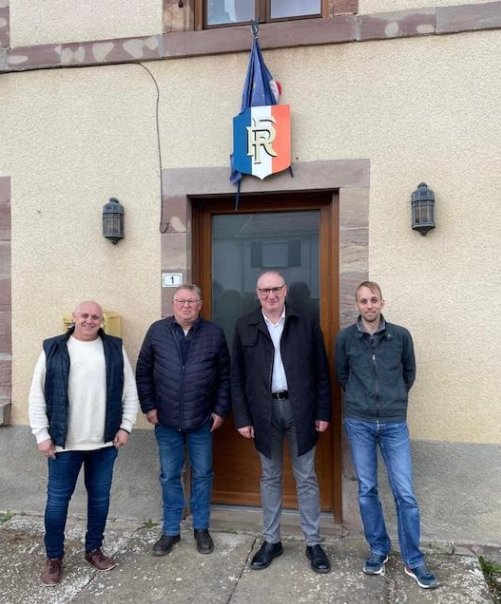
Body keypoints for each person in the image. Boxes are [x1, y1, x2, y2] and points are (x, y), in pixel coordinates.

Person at [335, 281, 439, 589]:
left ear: (382, 303)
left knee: (404, 493)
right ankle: (378, 550)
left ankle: (413, 559)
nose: (369, 305)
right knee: (367, 489)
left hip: (394, 424)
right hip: (359, 423)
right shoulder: (345, 339)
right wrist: (360, 401)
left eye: (374, 300)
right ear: (357, 305)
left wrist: (393, 400)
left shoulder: (401, 336)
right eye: (363, 301)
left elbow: (409, 373)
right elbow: (342, 375)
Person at [28, 301, 139, 587]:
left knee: (100, 500)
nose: (90, 320)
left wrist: (126, 427)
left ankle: (94, 550)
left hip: (104, 444)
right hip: (63, 445)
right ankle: (54, 558)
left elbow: (129, 391)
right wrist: (42, 434)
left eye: (95, 317)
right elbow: (37, 395)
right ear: (74, 318)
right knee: (57, 503)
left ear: (102, 321)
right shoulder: (52, 348)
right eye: (84, 316)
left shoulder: (114, 348)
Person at [232, 271, 332, 574]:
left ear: (285, 291)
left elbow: (321, 370)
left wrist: (323, 412)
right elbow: (237, 376)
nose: (270, 295)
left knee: (306, 478)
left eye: (276, 289)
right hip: (263, 411)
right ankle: (271, 541)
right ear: (257, 294)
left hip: (300, 408)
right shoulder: (244, 325)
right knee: (270, 477)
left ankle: (313, 543)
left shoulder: (305, 320)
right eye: (264, 291)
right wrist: (242, 417)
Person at [136, 283, 230, 557]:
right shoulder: (157, 331)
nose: (186, 306)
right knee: (169, 476)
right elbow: (143, 371)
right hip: (165, 419)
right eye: (181, 301)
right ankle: (170, 531)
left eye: (192, 301)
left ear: (200, 305)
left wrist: (220, 410)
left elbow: (225, 376)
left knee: (203, 474)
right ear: (173, 304)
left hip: (202, 420)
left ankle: (201, 528)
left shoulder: (214, 333)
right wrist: (149, 407)